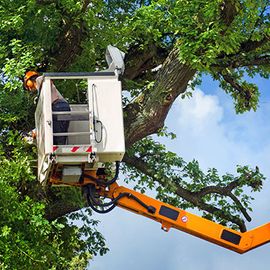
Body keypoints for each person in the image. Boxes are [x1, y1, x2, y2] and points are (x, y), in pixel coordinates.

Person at [24, 71, 71, 145]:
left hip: (58, 106)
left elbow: (46, 79)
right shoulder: (41, 90)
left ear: (29, 81)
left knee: (58, 135)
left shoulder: (39, 79)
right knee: (58, 135)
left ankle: (59, 149)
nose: (29, 89)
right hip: (60, 106)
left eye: (27, 85)